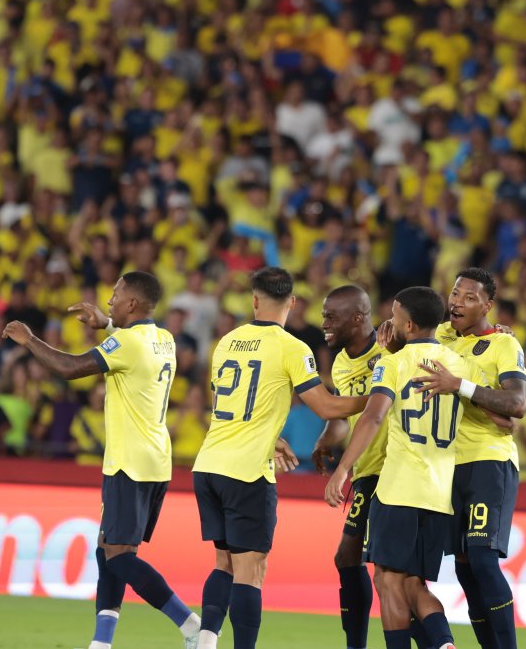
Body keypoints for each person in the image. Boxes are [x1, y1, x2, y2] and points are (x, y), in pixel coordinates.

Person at [2, 271, 201, 649]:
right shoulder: (165, 339)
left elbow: (70, 368)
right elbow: (132, 341)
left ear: (132, 304)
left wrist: (29, 340)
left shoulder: (126, 343)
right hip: (155, 459)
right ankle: (101, 642)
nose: (108, 300)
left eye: (115, 295)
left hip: (130, 461)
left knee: (119, 558)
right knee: (107, 549)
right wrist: (107, 324)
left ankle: (191, 625)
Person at [192, 267, 367, 649]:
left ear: (254, 301)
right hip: (246, 472)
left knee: (224, 563)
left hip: (208, 465)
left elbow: (232, 407)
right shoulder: (292, 347)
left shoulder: (226, 341)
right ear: (292, 302)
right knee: (251, 571)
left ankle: (203, 642)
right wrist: (381, 397)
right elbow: (326, 407)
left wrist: (273, 437)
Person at [325, 286, 476, 649]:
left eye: (393, 316)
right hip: (439, 492)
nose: (388, 323)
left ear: (408, 324)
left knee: (389, 582)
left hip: (398, 486)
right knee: (413, 584)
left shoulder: (392, 363)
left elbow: (374, 416)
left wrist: (343, 468)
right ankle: (443, 643)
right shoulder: (458, 365)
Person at [403, 268, 526, 649]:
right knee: (465, 569)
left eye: (469, 297)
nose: (457, 301)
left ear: (487, 306)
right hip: (446, 466)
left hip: (488, 460)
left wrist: (461, 387)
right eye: (455, 293)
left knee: (483, 558)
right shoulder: (439, 336)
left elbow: (516, 404)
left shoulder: (504, 345)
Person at [310, 285, 386, 649]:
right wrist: (327, 437)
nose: (324, 324)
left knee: (381, 569)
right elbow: (347, 410)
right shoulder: (341, 362)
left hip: (390, 468)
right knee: (357, 561)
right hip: (366, 469)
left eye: (330, 317)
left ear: (358, 317)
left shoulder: (390, 346)